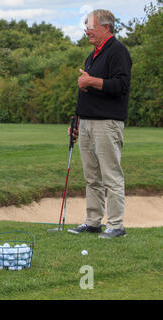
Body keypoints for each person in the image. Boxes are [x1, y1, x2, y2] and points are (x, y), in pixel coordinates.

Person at [68, 9, 132, 239]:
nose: (87, 31)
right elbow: (84, 92)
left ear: (106, 27)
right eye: (86, 27)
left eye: (91, 27)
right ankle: (93, 221)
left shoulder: (118, 51)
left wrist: (90, 81)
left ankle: (116, 225)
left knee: (111, 176)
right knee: (91, 176)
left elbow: (121, 86)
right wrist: (75, 121)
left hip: (107, 123)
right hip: (86, 123)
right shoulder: (93, 55)